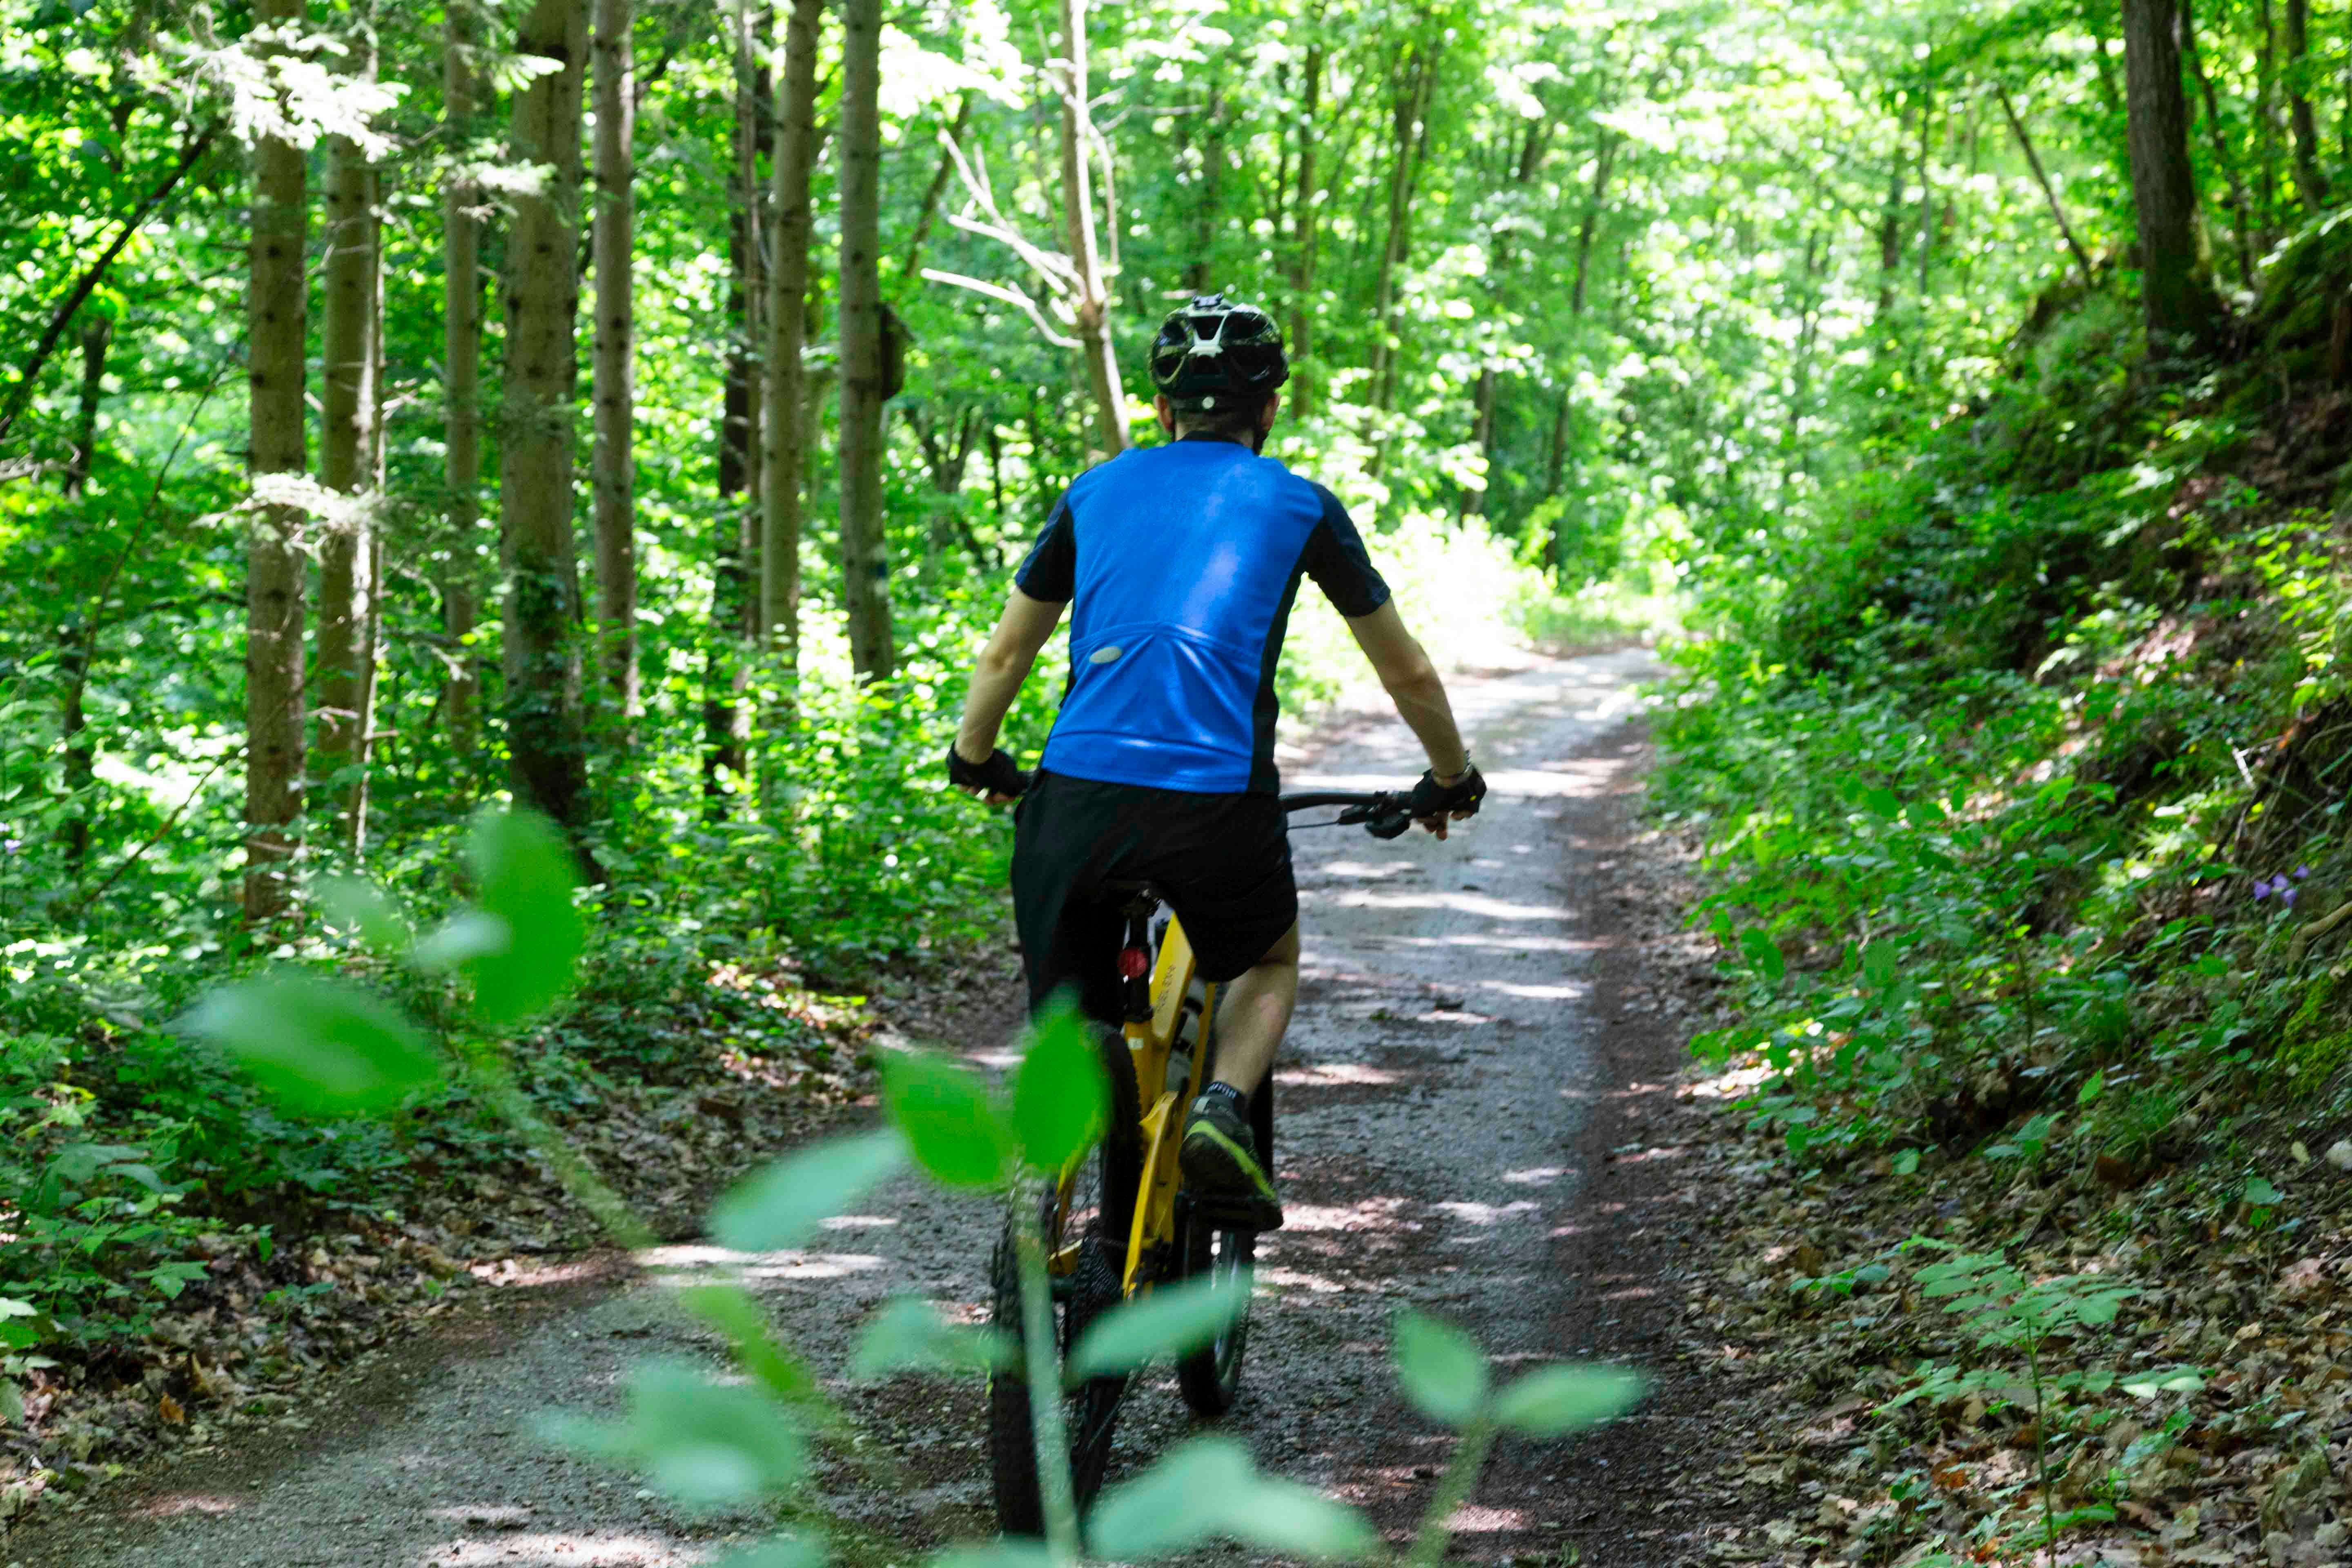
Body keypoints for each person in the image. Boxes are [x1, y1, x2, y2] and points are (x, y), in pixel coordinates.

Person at [948, 293, 1485, 1231]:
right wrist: (1451, 778)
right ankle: (1225, 1108)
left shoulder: (1096, 492)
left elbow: (1004, 657)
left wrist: (976, 759)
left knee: (1071, 1018)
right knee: (1267, 960)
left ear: (1162, 412)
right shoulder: (1299, 505)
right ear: (1269, 410)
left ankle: (1060, 1183)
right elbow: (1405, 669)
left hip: (1076, 798)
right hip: (1216, 804)